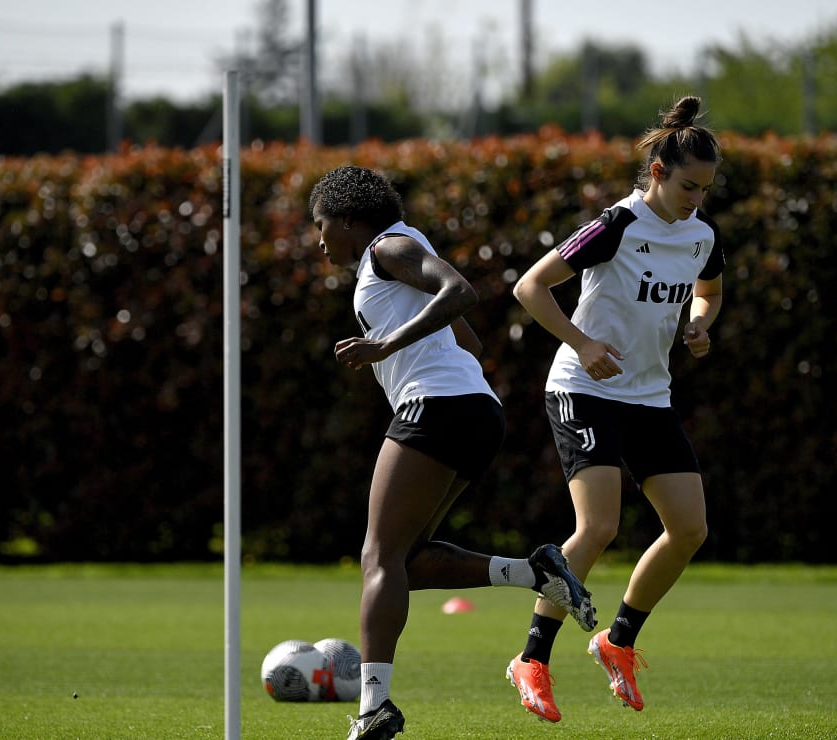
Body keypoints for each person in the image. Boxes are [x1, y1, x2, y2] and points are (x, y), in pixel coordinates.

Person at [308, 165, 598, 740]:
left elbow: (460, 290)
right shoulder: (398, 255)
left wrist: (385, 345)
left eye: (321, 228)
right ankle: (532, 571)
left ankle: (373, 709)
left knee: (378, 558)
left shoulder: (389, 246)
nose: (320, 243)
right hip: (474, 410)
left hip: (435, 407)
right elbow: (469, 339)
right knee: (406, 562)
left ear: (346, 218)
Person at [504, 95, 725, 723]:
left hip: (649, 396)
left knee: (689, 529)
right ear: (657, 171)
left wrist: (700, 326)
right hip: (583, 387)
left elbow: (706, 292)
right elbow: (530, 286)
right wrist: (583, 343)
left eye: (706, 189)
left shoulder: (702, 235)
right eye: (688, 185)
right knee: (597, 526)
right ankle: (532, 659)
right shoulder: (617, 224)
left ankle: (618, 642)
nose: (696, 200)